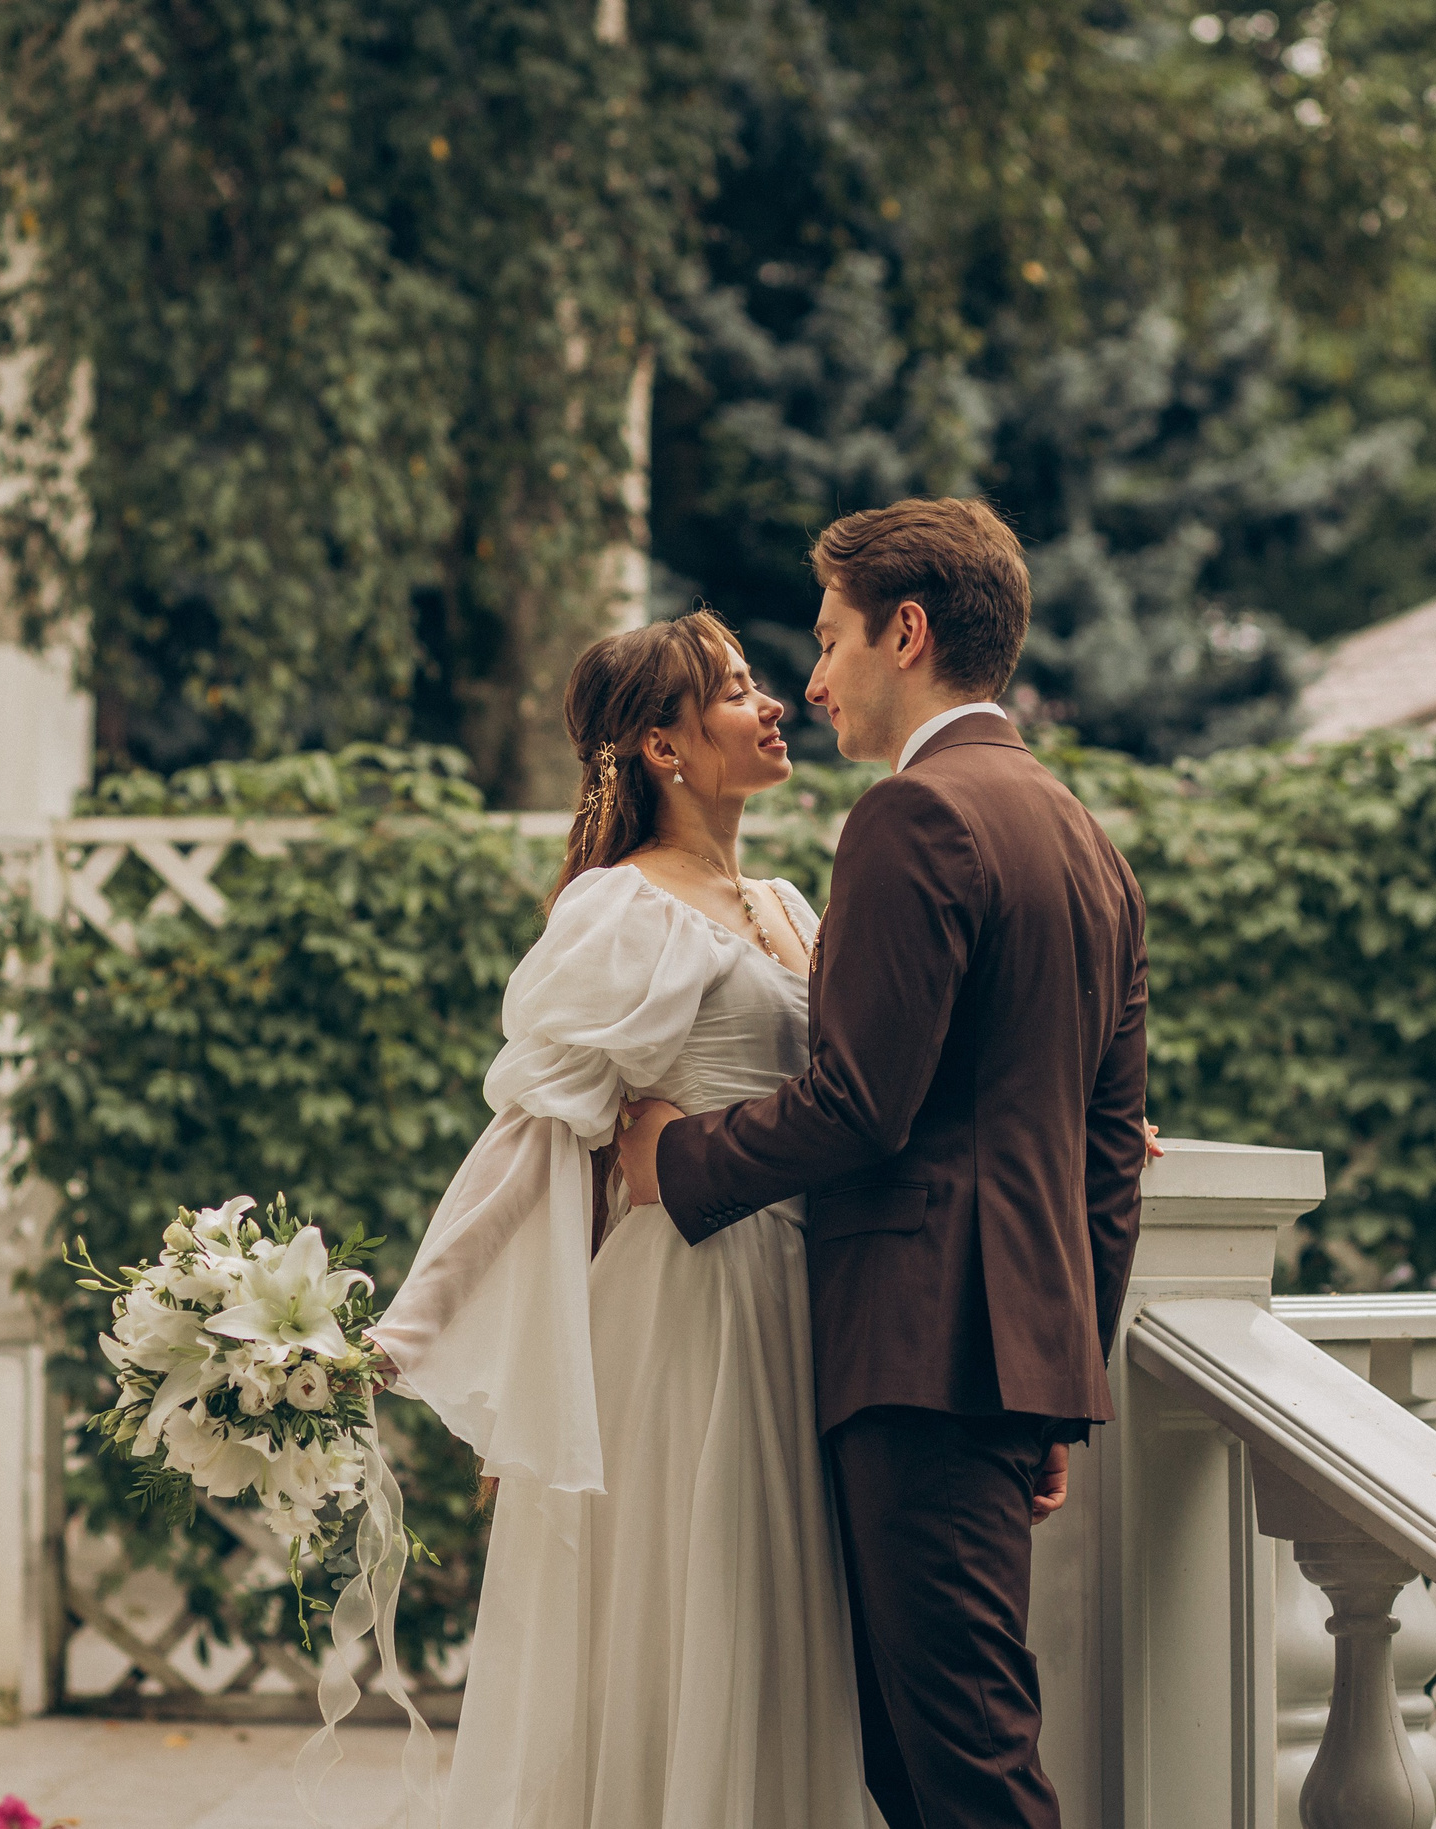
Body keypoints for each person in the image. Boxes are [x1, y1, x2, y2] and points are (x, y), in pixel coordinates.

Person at [616, 497, 1150, 1829]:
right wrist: (1055, 1366)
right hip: (994, 1363)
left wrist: (676, 1161)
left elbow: (860, 1103)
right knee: (928, 1762)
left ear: (907, 632)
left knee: (960, 1768)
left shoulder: (913, 818)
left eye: (833, 640)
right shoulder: (1087, 842)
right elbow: (1107, 1155)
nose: (813, 680)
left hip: (913, 1355)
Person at [372, 608, 884, 1829]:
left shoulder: (785, 903)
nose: (775, 705)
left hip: (801, 1297)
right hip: (682, 1315)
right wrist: (403, 1328)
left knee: (776, 1623)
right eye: (738, 689)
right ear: (662, 744)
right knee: (684, 1612)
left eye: (767, 682)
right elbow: (533, 1140)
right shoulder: (619, 910)